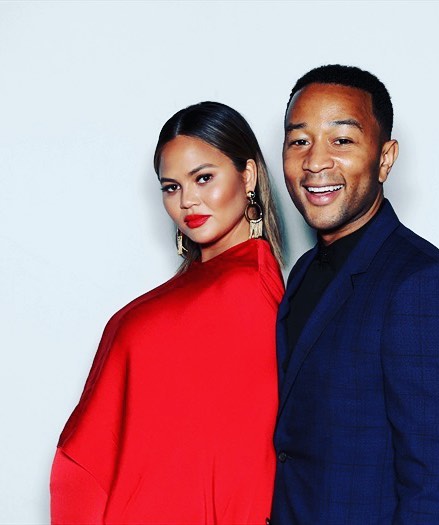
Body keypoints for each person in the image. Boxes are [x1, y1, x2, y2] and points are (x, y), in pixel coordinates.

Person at [50, 101, 284, 524]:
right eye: (171, 187)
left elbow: (238, 459)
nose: (187, 202)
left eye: (203, 178)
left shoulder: (244, 290)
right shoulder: (199, 284)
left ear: (247, 176)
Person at [270, 65, 439, 524]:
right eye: (299, 140)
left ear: (385, 158)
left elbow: (438, 491)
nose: (315, 162)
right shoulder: (306, 270)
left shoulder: (424, 287)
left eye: (342, 140)